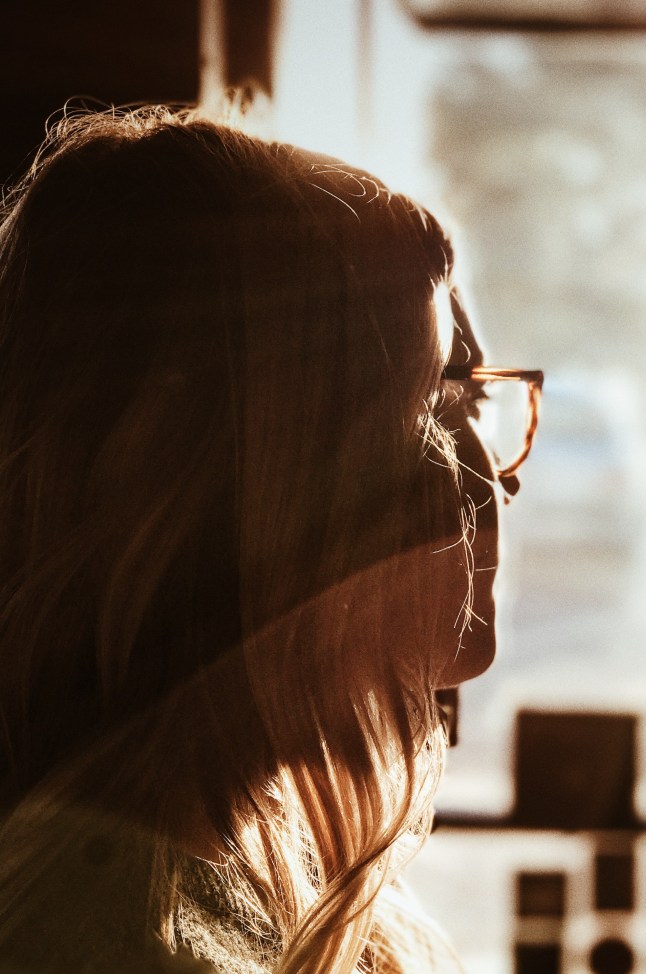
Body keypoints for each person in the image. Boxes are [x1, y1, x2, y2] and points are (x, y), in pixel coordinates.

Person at [0, 105, 541, 973]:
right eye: (433, 407)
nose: (491, 479)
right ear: (229, 471)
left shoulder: (220, 861)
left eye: (476, 404)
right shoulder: (105, 938)